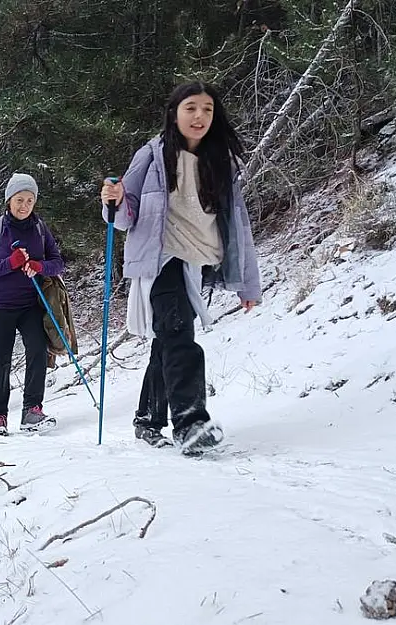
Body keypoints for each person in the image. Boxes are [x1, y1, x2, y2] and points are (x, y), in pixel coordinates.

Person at [100, 81, 261, 456]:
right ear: (175, 113)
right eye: (191, 107)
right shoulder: (152, 155)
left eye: (207, 109)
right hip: (159, 261)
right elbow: (124, 216)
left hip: (196, 263)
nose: (199, 116)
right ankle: (190, 423)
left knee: (168, 340)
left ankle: (146, 419)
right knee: (179, 337)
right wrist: (117, 198)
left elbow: (238, 224)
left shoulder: (220, 163)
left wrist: (247, 284)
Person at [0, 173, 64, 436]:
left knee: (37, 350)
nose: (24, 205)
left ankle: (32, 410)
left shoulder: (39, 229)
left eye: (29, 200)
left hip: (29, 304)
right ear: (8, 200)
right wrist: (10, 263)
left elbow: (58, 262)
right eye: (19, 199)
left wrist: (39, 267)